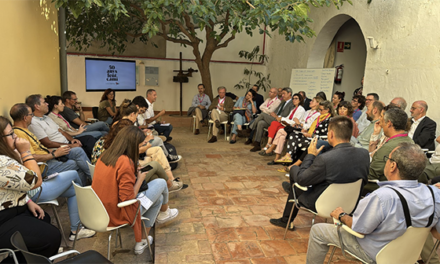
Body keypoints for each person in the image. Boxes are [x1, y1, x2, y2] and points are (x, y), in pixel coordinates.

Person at [306, 143, 440, 264]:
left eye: (388, 158)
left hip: (376, 253)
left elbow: (358, 228)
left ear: (393, 166)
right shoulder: (434, 194)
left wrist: (341, 215)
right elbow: (436, 233)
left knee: (318, 231)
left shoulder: (384, 196)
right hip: (406, 256)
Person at [269, 116, 369, 230]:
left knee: (294, 171)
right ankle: (293, 190)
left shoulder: (326, 159)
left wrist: (310, 155)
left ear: (331, 134)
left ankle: (287, 217)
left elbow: (302, 179)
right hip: (349, 204)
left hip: (322, 203)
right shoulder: (364, 154)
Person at [92, 126, 179, 255]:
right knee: (161, 183)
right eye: (140, 146)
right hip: (118, 213)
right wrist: (139, 179)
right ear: (132, 145)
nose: (141, 149)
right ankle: (164, 213)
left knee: (158, 198)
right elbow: (128, 199)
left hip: (100, 209)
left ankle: (142, 242)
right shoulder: (125, 162)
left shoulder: (106, 155)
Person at [0, 116, 61, 263]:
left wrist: (27, 201)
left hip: (11, 209)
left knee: (43, 218)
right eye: (11, 134)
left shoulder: (5, 157)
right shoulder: (2, 162)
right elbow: (35, 181)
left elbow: (11, 184)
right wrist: (25, 152)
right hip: (3, 218)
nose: (15, 137)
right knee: (51, 237)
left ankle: (24, 257)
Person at [91, 119, 184, 192]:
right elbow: (128, 196)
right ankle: (169, 185)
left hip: (109, 183)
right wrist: (139, 179)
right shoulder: (122, 156)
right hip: (123, 186)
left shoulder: (107, 146)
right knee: (155, 167)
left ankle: (168, 189)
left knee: (156, 175)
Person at [11, 103, 92, 186]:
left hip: (48, 156)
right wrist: (54, 154)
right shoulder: (19, 134)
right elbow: (30, 157)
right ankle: (89, 185)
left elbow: (40, 148)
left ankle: (92, 181)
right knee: (76, 164)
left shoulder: (25, 130)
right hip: (43, 167)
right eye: (31, 114)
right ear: (25, 118)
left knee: (77, 151)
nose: (32, 116)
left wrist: (58, 150)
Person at [363, 108, 414, 195]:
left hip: (384, 188)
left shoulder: (388, 147)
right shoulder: (411, 141)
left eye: (382, 118)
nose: (380, 122)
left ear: (389, 123)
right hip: (404, 188)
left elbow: (371, 175)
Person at [272, 100, 334, 165]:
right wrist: (307, 131)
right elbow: (314, 128)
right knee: (293, 134)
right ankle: (288, 156)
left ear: (327, 110)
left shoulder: (330, 120)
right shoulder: (319, 118)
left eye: (321, 110)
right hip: (311, 136)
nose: (319, 111)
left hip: (318, 140)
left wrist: (311, 135)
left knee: (296, 141)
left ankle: (292, 164)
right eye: (319, 109)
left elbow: (327, 136)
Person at [132, 96, 181, 163]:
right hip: (139, 143)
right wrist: (145, 139)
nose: (141, 113)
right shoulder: (131, 118)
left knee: (166, 129)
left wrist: (143, 131)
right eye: (141, 111)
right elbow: (133, 137)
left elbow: (137, 129)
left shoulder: (136, 115)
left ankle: (166, 155)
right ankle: (167, 157)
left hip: (142, 137)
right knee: (158, 140)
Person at [248, 87, 295, 152]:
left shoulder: (292, 103)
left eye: (284, 94)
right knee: (261, 123)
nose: (282, 95)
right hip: (274, 119)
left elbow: (286, 115)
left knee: (262, 115)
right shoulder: (283, 102)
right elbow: (273, 111)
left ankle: (250, 129)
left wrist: (275, 116)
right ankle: (257, 144)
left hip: (280, 121)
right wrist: (273, 114)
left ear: (289, 94)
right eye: (282, 94)